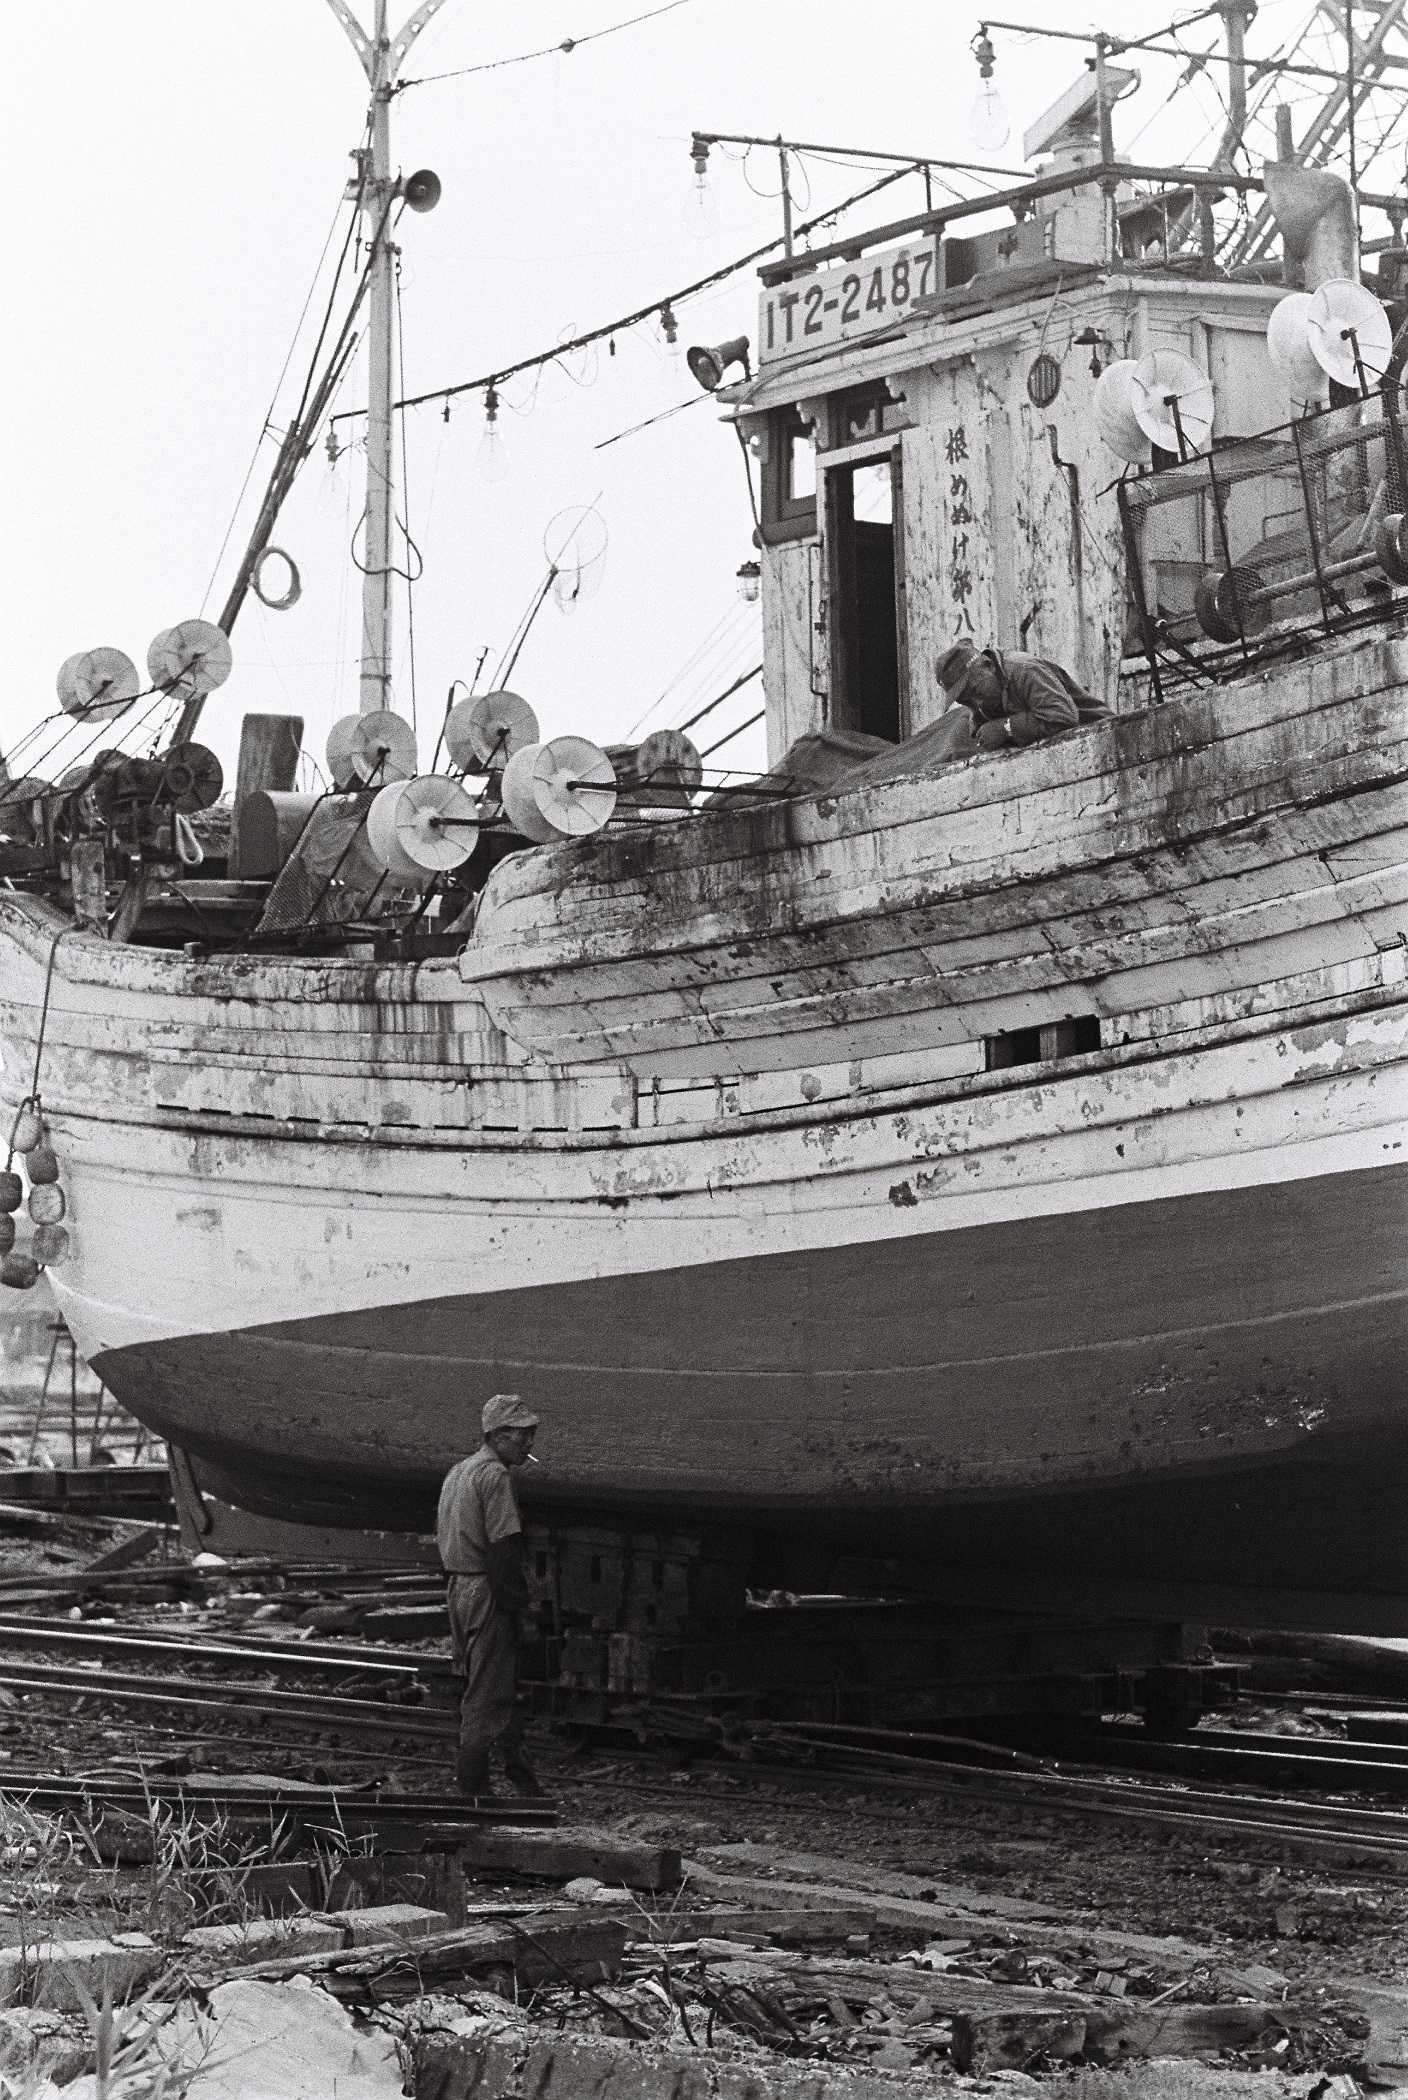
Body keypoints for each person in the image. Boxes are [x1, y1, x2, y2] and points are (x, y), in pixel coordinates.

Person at [437, 1392, 542, 1799]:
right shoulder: (495, 1476)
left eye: (531, 1434)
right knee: (487, 1692)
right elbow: (503, 1549)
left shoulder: (459, 1471)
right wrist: (518, 1607)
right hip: (485, 1588)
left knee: (491, 1682)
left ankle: (523, 1781)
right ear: (497, 1435)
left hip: (458, 1587)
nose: (529, 1442)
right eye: (521, 1434)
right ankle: (474, 1793)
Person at [936, 639, 1111, 749]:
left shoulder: (1024, 669)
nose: (977, 703)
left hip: (1103, 739)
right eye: (965, 700)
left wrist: (1005, 728)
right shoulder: (983, 694)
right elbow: (980, 731)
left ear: (989, 666)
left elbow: (1063, 716)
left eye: (975, 691)